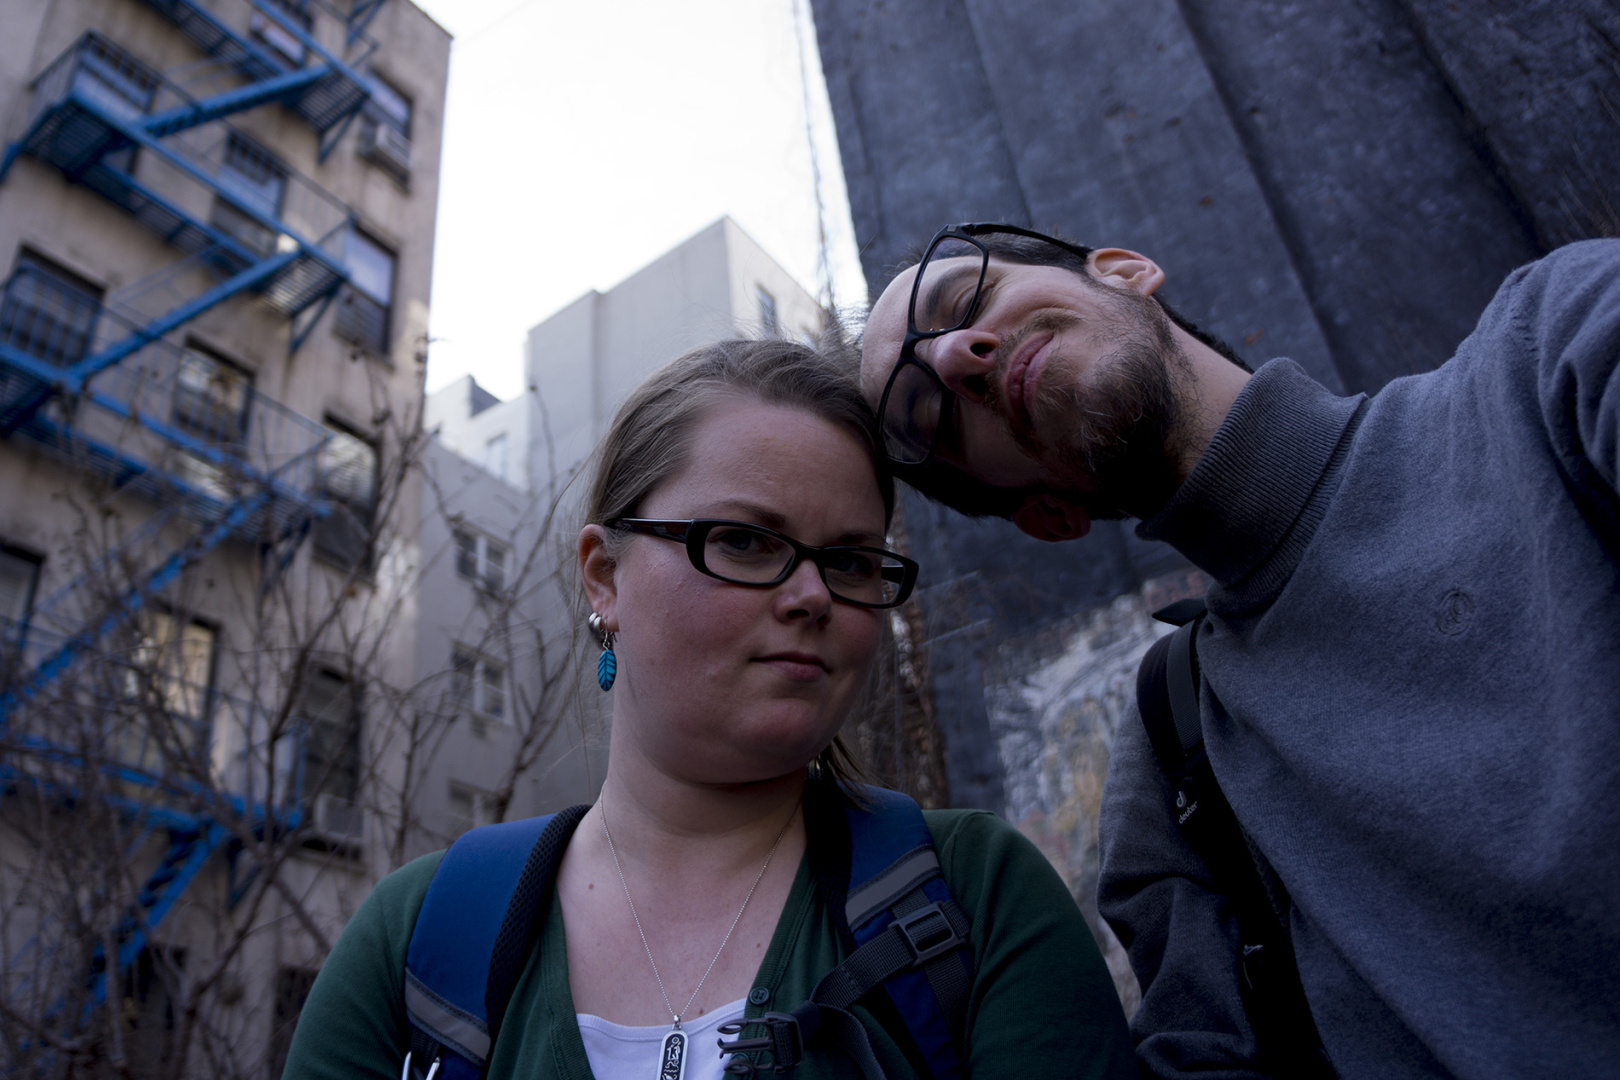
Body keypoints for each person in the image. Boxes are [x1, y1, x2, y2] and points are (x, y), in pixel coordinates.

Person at [857, 224, 1620, 1079]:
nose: (960, 353)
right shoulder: (1177, 752)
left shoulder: (1548, 350)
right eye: (928, 413)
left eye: (965, 300)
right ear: (1046, 517)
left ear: (1124, 270)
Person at [280, 338, 1136, 1080]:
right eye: (744, 541)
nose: (811, 595)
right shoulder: (420, 939)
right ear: (604, 576)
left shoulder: (976, 897)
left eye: (850, 561)